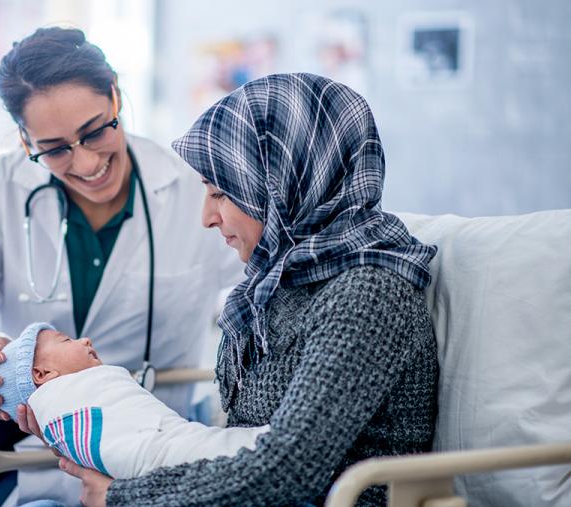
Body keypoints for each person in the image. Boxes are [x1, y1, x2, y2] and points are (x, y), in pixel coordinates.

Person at [0, 27, 241, 506]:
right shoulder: (3, 187)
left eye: (94, 132)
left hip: (141, 447)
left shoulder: (192, 188)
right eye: (56, 148)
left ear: (116, 97)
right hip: (23, 447)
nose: (86, 163)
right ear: (26, 141)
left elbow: (270, 281)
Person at [50, 73, 439, 506]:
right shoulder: (278, 285)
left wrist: (125, 498)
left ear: (281, 186)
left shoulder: (367, 296)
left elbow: (288, 469)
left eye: (219, 194)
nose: (206, 218)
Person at [0, 322, 268, 480]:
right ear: (42, 373)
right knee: (227, 452)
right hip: (153, 451)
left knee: (219, 448)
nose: (85, 340)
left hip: (167, 438)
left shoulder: (91, 386)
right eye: (66, 340)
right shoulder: (62, 404)